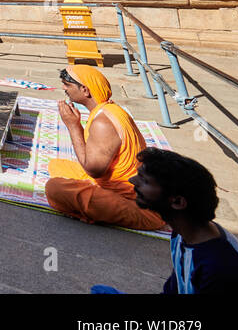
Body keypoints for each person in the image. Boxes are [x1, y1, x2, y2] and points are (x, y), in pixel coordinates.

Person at [92, 149, 238, 294]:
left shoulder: (218, 267)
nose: (132, 181)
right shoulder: (183, 235)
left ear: (177, 202)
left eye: (144, 180)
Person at [44, 64, 166, 232]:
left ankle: (94, 207)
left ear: (85, 90)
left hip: (143, 207)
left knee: (54, 189)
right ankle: (93, 195)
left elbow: (94, 170)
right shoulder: (108, 109)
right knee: (56, 165)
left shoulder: (103, 122)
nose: (64, 88)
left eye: (67, 84)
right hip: (118, 184)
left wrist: (73, 126)